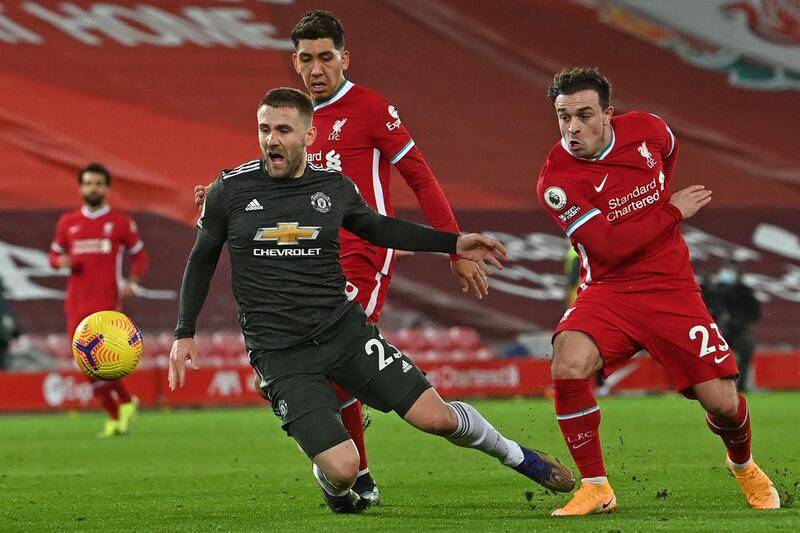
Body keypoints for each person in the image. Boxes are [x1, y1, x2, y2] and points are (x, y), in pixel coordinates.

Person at [172, 87, 575, 514]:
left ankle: (517, 455)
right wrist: (185, 332)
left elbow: (380, 229)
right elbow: (201, 259)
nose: (272, 139)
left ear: (309, 136)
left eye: (284, 130)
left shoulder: (334, 187)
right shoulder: (229, 191)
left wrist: (454, 243)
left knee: (436, 418)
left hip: (344, 333)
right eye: (264, 129)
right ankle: (334, 481)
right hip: (280, 352)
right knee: (344, 467)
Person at [193, 10, 490, 504]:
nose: (315, 69)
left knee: (331, 350)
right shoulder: (290, 121)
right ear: (294, 61)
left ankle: (354, 468)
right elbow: (259, 179)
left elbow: (420, 176)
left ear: (344, 58)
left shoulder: (371, 109)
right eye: (306, 59)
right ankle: (352, 469)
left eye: (325, 57)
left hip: (363, 255)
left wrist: (453, 245)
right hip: (303, 255)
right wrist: (217, 195)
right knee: (326, 362)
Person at [536, 67, 779, 515]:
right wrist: (670, 211)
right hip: (608, 290)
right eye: (563, 116)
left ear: (608, 114)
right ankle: (596, 487)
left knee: (724, 404)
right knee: (568, 360)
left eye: (584, 115)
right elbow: (608, 247)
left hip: (672, 290)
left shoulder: (648, 130)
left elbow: (669, 149)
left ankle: (743, 465)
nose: (572, 128)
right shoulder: (557, 181)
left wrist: (662, 200)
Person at [49, 163, 148, 438]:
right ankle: (119, 410)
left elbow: (140, 257)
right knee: (85, 363)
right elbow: (53, 256)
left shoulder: (120, 223)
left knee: (104, 362)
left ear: (106, 188)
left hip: (106, 305)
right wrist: (62, 261)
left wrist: (133, 282)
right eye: (88, 183)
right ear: (81, 188)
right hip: (76, 305)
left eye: (98, 184)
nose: (93, 188)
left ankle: (121, 409)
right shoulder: (67, 222)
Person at [704, 260, 761, 392]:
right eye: (726, 269)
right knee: (712, 354)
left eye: (731, 270)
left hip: (740, 329)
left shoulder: (746, 292)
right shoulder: (715, 289)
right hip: (719, 329)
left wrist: (739, 320)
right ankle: (712, 386)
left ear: (739, 274)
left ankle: (744, 385)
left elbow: (755, 313)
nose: (726, 273)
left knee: (746, 350)